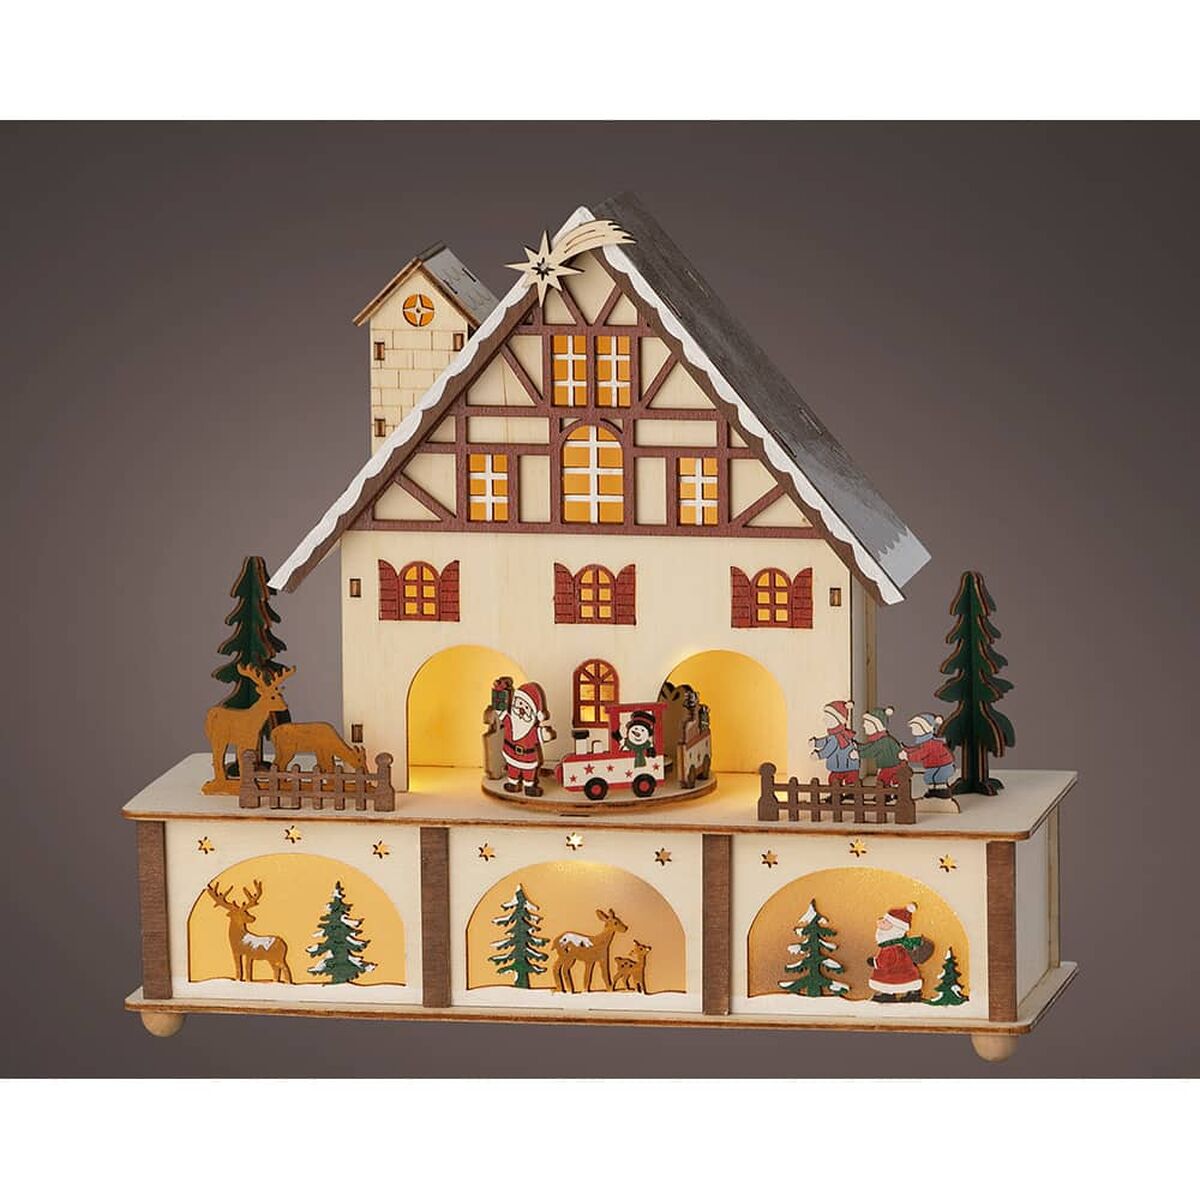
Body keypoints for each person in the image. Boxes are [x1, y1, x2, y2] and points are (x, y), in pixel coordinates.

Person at [498, 682, 556, 797]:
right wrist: (499, 692)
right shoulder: (509, 722)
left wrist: (546, 735)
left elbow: (542, 735)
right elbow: (499, 709)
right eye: (519, 704)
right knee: (512, 769)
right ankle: (513, 783)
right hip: (511, 754)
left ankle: (529, 786)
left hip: (528, 758)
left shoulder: (532, 731)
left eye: (526, 707)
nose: (521, 710)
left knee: (528, 773)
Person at [867, 903, 933, 1002]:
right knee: (907, 981)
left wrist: (875, 962)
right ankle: (913, 994)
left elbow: (885, 961)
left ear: (895, 928)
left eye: (885, 922)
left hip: (893, 972)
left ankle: (888, 995)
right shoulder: (901, 945)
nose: (880, 925)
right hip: (906, 971)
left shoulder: (890, 948)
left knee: (888, 982)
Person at [900, 712, 956, 798]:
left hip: (943, 766)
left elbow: (920, 754)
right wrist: (906, 750)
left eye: (916, 728)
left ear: (925, 729)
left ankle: (942, 792)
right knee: (929, 777)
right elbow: (918, 749)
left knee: (937, 778)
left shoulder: (930, 743)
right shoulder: (925, 742)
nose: (913, 730)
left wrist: (907, 756)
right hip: (935, 766)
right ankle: (933, 791)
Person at [810, 700, 859, 784]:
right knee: (839, 779)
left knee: (836, 779)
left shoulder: (835, 738)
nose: (824, 720)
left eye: (827, 718)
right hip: (844, 765)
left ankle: (846, 788)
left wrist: (819, 755)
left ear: (838, 720)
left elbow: (828, 749)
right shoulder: (836, 735)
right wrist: (816, 743)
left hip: (843, 765)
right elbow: (825, 741)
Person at [856, 705, 904, 787]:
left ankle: (889, 789)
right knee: (884, 780)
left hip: (890, 767)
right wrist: (857, 747)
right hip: (887, 766)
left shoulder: (883, 741)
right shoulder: (879, 739)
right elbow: (868, 746)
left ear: (876, 726)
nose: (864, 726)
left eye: (867, 724)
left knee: (882, 781)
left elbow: (871, 751)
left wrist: (858, 754)